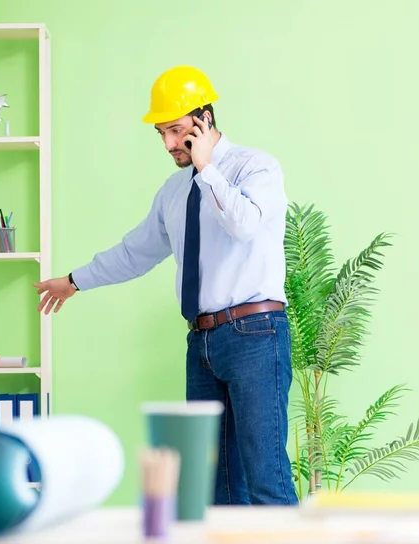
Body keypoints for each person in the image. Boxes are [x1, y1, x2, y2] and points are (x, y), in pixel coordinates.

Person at [34, 65, 299, 506]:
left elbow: (245, 224)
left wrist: (207, 168)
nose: (169, 144)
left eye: (176, 131)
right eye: (161, 133)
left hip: (256, 335)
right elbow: (134, 253)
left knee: (265, 476)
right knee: (213, 483)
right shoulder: (174, 192)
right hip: (202, 343)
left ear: (205, 120)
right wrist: (74, 281)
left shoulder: (256, 167)